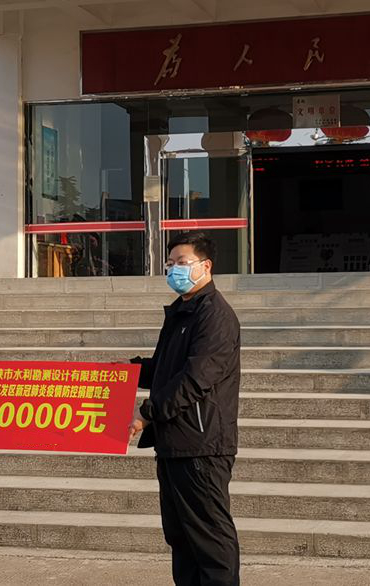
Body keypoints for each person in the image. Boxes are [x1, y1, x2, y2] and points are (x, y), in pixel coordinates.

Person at [129, 233, 241, 586]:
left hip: (201, 447)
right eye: (169, 264)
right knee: (181, 538)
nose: (173, 270)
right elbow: (165, 368)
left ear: (205, 266)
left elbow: (195, 379)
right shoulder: (182, 312)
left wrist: (147, 413)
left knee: (210, 542)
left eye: (181, 263)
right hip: (174, 444)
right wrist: (125, 372)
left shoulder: (215, 316)